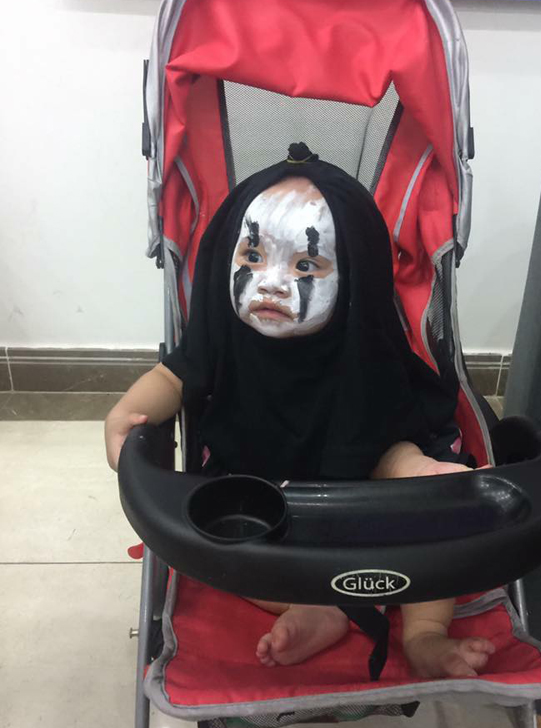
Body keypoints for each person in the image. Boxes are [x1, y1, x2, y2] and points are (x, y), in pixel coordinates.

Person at [105, 144, 495, 679]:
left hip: (366, 496)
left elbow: (389, 442)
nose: (271, 281)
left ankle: (425, 634)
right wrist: (126, 413)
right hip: (261, 496)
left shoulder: (364, 345)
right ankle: (314, 607)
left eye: (306, 264)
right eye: (252, 256)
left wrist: (420, 473)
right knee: (222, 545)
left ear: (354, 276)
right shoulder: (222, 338)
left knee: (434, 514)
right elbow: (172, 377)